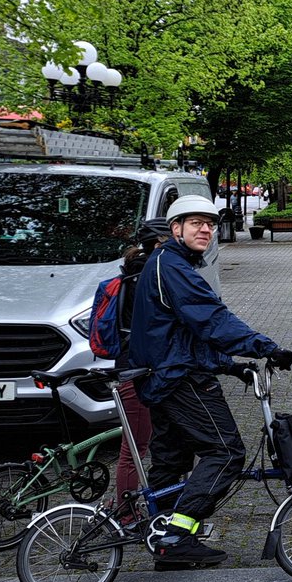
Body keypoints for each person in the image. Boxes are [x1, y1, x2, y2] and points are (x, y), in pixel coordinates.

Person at [130, 195, 292, 569]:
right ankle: (177, 535)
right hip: (181, 379)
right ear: (176, 229)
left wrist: (229, 365)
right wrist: (266, 347)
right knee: (226, 452)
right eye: (195, 223)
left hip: (161, 377)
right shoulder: (173, 267)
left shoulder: (165, 262)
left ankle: (164, 541)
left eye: (210, 224)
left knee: (172, 460)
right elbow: (213, 320)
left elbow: (184, 334)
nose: (205, 229)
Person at [112, 217, 170, 516]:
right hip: (136, 370)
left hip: (136, 366)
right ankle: (124, 512)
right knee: (134, 449)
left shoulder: (134, 271)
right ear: (159, 242)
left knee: (140, 444)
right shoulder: (149, 275)